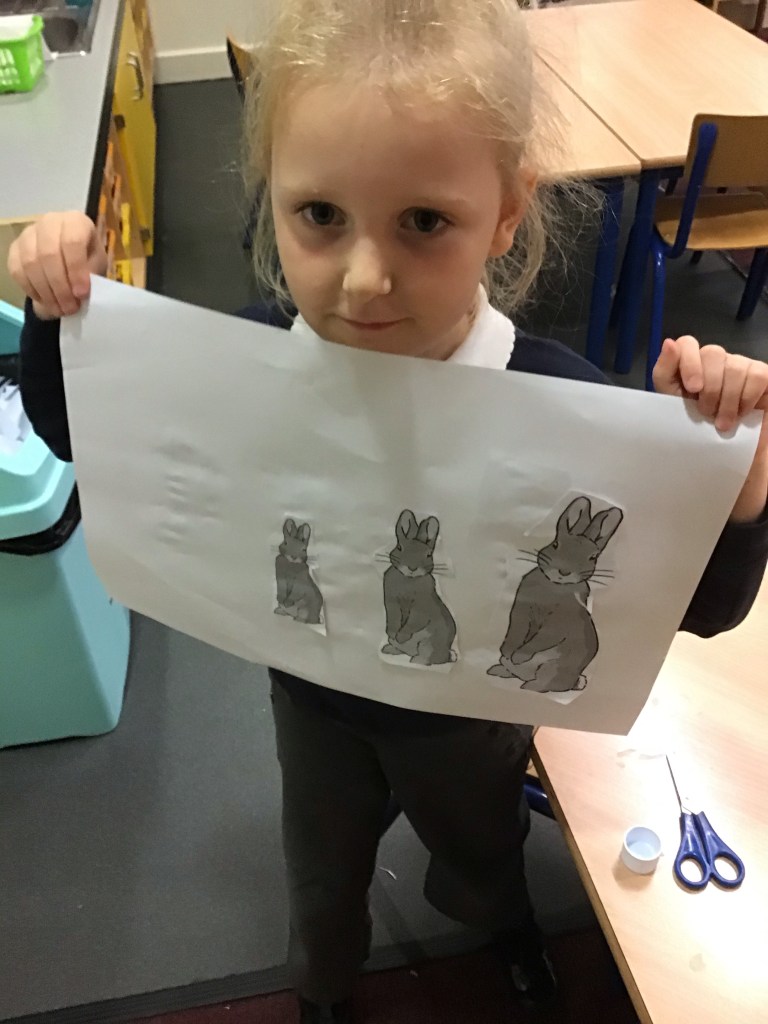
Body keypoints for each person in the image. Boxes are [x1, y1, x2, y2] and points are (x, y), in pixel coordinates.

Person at [8, 1, 768, 1021]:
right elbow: (74, 439)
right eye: (320, 215)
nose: (366, 280)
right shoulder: (247, 359)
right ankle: (323, 990)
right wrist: (57, 314)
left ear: (507, 214)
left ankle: (504, 933)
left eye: (423, 221)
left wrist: (735, 477)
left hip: (471, 723)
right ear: (272, 196)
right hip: (314, 704)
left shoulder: (557, 403)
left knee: (485, 855)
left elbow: (706, 608)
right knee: (322, 874)